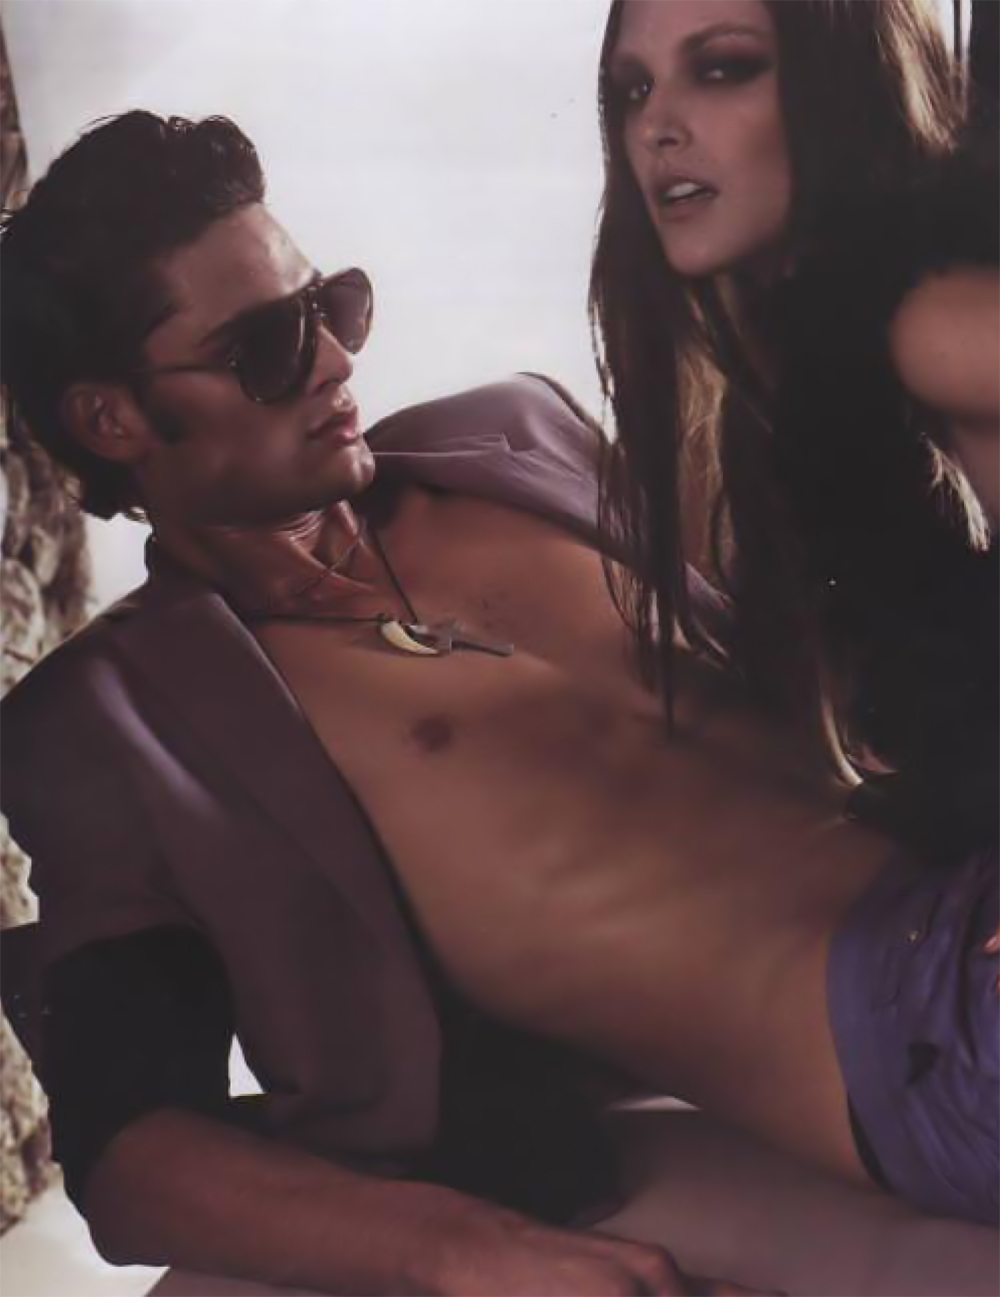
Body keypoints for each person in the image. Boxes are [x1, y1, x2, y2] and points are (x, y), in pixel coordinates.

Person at [589, 0, 998, 1229]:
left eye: (721, 71)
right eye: (630, 91)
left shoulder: (926, 321)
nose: (659, 128)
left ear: (834, 85)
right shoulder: (800, 358)